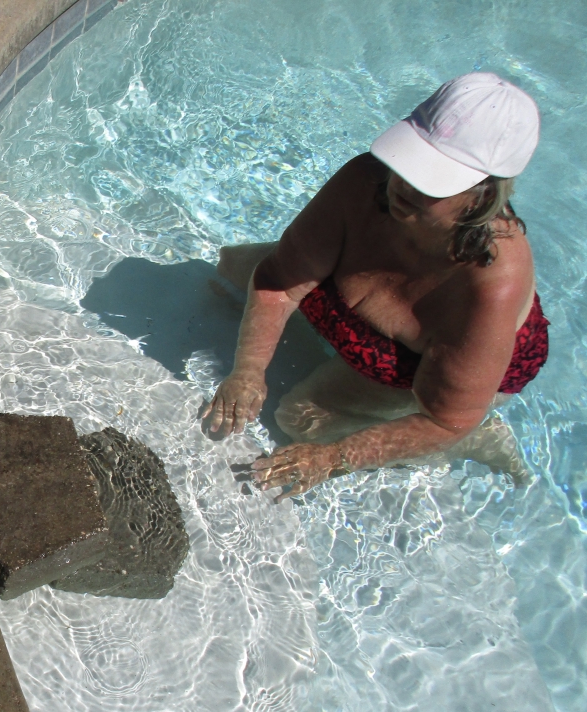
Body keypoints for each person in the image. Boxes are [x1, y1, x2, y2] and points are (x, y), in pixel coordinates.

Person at [201, 72, 546, 499]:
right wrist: (248, 370)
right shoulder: (367, 180)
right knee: (232, 267)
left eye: (430, 178)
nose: (402, 184)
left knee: (300, 419)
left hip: (413, 368)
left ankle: (477, 440)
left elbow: (445, 420)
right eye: (407, 160)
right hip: (344, 300)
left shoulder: (489, 285)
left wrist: (333, 458)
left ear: (483, 196)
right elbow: (279, 280)